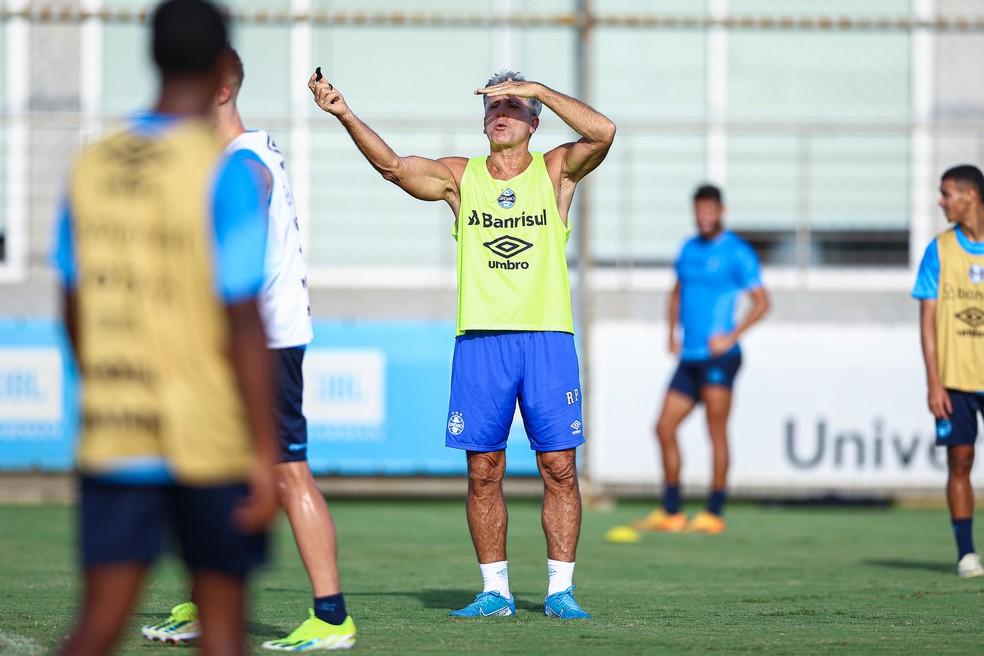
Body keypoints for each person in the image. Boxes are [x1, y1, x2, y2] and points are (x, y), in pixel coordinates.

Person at [308, 69, 615, 618]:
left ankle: (559, 592)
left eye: (515, 106)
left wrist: (538, 88)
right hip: (479, 342)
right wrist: (344, 113)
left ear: (534, 120)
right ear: (483, 121)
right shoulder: (461, 176)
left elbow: (604, 133)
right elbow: (394, 167)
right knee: (483, 471)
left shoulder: (555, 170)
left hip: (546, 339)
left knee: (560, 469)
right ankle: (495, 591)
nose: (502, 113)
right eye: (494, 105)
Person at [51, 2, 280, 655]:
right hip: (206, 432)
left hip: (119, 425)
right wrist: (264, 451)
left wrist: (103, 383)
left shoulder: (93, 164)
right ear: (220, 68)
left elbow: (71, 302)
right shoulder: (222, 171)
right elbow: (243, 317)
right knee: (223, 629)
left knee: (98, 622)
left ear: (149, 57)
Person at [139, 48, 357, 651]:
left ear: (221, 92)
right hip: (242, 340)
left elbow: (247, 217)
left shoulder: (245, 161)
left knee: (288, 473)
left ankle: (332, 616)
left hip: (262, 342)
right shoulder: (229, 158)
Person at [632, 184, 769, 535]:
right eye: (699, 211)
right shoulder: (688, 248)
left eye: (710, 210)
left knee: (715, 430)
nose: (704, 216)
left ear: (721, 211)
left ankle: (714, 510)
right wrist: (670, 332)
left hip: (720, 358)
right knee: (663, 428)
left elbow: (762, 302)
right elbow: (677, 290)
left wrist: (731, 336)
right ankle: (672, 510)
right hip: (689, 355)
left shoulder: (737, 252)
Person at [913, 164, 984, 579]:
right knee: (960, 459)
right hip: (955, 381)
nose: (941, 201)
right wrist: (933, 382)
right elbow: (927, 321)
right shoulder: (938, 250)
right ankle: (966, 554)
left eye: (947, 193)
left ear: (970, 196)